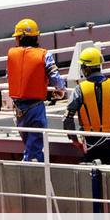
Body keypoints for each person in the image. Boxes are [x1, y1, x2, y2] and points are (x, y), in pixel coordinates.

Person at [7, 17, 65, 162]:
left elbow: (10, 76)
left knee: (29, 144)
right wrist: (61, 90)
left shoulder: (11, 54)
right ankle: (32, 170)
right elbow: (56, 77)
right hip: (36, 109)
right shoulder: (44, 55)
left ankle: (30, 165)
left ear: (20, 38)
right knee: (35, 147)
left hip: (18, 109)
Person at [63, 46, 110, 164]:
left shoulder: (79, 90)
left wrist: (74, 140)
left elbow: (67, 118)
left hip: (91, 144)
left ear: (85, 68)